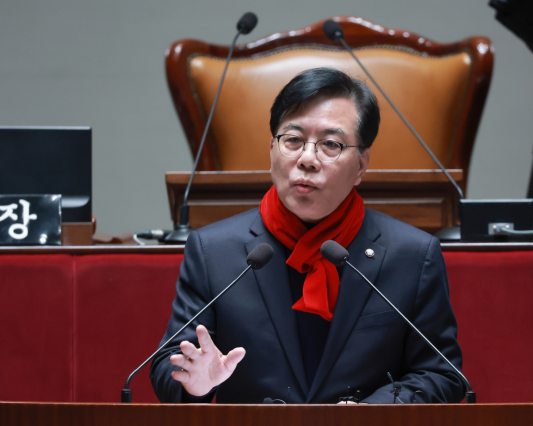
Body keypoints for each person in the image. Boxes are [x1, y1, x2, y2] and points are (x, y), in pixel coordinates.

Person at [150, 67, 465, 404]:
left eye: (330, 144)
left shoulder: (413, 255)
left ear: (361, 164)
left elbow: (442, 373)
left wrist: (374, 412)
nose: (307, 159)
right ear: (272, 149)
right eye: (293, 140)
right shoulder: (213, 251)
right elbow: (168, 365)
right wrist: (194, 382)